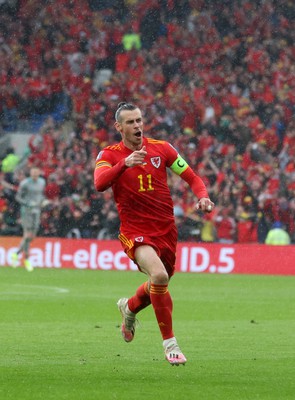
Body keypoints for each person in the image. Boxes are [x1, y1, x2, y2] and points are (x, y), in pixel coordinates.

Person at [94, 102, 214, 366]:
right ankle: (170, 344)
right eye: (130, 122)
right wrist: (124, 164)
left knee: (159, 284)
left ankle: (129, 308)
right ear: (119, 127)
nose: (137, 125)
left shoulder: (163, 148)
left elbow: (192, 177)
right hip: (135, 231)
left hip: (166, 230)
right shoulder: (110, 154)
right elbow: (100, 183)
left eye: (139, 120)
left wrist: (203, 197)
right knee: (159, 275)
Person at [11, 167, 46, 271]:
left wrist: (42, 201)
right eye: (33, 173)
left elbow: (40, 195)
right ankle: (26, 259)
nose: (35, 174)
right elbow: (18, 197)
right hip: (26, 211)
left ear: (39, 173)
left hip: (37, 210)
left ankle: (16, 254)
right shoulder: (25, 183)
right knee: (27, 234)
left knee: (32, 236)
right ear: (30, 174)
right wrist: (27, 203)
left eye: (37, 173)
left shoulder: (42, 182)